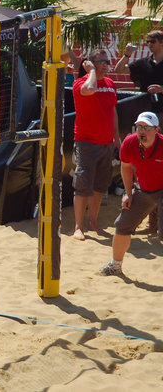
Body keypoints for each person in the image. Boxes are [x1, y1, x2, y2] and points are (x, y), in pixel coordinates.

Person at [98, 112, 163, 276]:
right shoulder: (130, 142)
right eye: (139, 127)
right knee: (122, 225)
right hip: (144, 189)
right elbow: (125, 167)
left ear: (157, 130)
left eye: (147, 127)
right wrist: (128, 193)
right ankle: (115, 265)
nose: (142, 130)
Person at [71, 49, 120, 241]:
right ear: (89, 64)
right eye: (101, 61)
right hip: (86, 142)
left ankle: (93, 222)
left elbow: (113, 111)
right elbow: (89, 90)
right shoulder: (81, 83)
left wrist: (116, 137)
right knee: (83, 186)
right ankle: (78, 226)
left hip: (106, 142)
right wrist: (90, 71)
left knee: (100, 186)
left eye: (107, 61)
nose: (106, 64)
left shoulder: (110, 84)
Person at [114, 30, 163, 99]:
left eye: (152, 41)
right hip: (145, 104)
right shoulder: (143, 62)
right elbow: (119, 70)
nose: (149, 44)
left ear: (161, 42)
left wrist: (161, 88)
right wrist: (127, 55)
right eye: (147, 42)